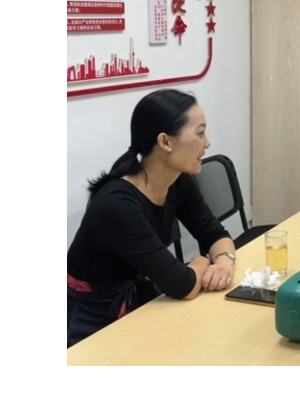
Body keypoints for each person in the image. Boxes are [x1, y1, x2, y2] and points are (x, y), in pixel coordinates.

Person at [67, 89, 237, 347]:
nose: (207, 143)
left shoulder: (178, 180)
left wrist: (223, 264)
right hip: (93, 317)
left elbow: (216, 235)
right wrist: (201, 261)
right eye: (200, 133)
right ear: (165, 142)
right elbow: (183, 285)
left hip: (140, 302)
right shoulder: (117, 205)